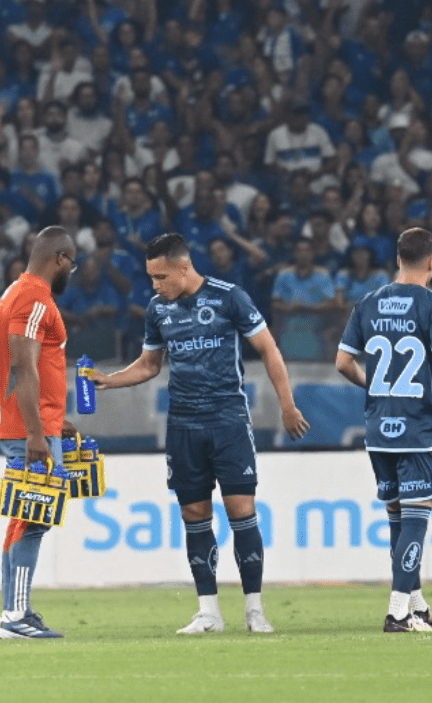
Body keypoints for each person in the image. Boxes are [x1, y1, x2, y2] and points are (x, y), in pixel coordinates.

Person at [94, 233, 310, 635]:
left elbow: (268, 348)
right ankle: (208, 612)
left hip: (228, 420)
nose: (155, 285)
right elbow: (149, 365)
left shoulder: (230, 297)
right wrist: (110, 379)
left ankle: (255, 610)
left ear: (183, 267)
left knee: (241, 511)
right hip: (183, 425)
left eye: (161, 277)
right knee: (194, 516)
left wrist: (287, 405)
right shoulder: (158, 309)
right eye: (151, 277)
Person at [334, 228, 432, 633]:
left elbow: (343, 362)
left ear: (398, 259)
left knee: (398, 520)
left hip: (379, 428)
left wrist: (376, 386)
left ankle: (416, 605)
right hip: (416, 428)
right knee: (416, 520)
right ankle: (397, 613)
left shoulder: (368, 302)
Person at [0, 226, 78, 639]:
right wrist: (37, 433)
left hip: (30, 423)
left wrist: (56, 422)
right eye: (72, 263)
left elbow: (33, 368)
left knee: (22, 518)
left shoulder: (15, 292)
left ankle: (14, 611)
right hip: (29, 429)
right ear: (60, 258)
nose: (72, 272)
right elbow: (23, 367)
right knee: (33, 519)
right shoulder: (35, 298)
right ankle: (15, 616)